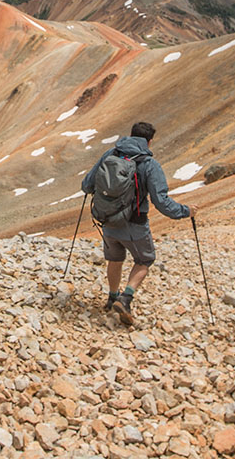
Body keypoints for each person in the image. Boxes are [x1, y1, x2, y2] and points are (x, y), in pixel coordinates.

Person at [81, 121, 198, 325]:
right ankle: (125, 298)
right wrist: (185, 211)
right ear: (149, 142)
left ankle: (112, 298)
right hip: (134, 224)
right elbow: (161, 201)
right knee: (145, 260)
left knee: (115, 259)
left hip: (108, 221)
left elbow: (87, 185)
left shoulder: (111, 154)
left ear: (131, 135)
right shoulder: (149, 164)